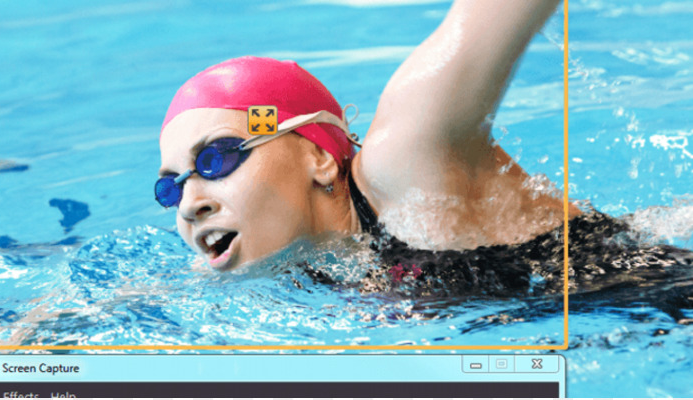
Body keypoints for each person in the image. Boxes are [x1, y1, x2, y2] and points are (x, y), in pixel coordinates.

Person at [156, 0, 692, 298]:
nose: (189, 203)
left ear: (318, 157)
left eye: (216, 159)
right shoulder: (271, 253)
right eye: (170, 185)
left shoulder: (406, 159)